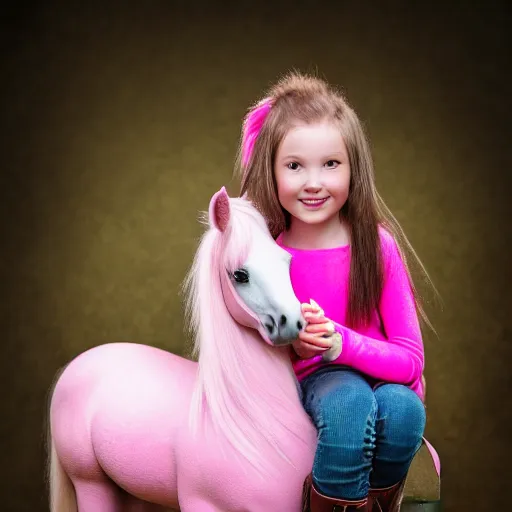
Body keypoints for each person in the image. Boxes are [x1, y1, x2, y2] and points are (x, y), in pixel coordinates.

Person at [234, 71, 436, 512]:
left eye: (330, 163)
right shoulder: (267, 255)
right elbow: (252, 351)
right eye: (294, 165)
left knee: (404, 412)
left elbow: (410, 360)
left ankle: (377, 503)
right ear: (270, 170)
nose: (313, 182)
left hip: (384, 379)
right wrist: (296, 347)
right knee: (348, 398)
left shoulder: (376, 246)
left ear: (353, 168)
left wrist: (339, 343)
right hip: (318, 389)